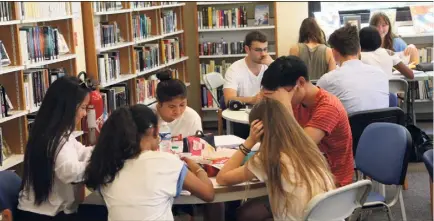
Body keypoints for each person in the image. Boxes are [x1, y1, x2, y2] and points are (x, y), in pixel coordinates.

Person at [84, 104, 214, 221]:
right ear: (153, 130)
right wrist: (197, 168)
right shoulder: (165, 162)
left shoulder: (106, 164)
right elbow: (208, 194)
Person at [216, 98, 335, 221]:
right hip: (326, 215)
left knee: (243, 213)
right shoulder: (308, 148)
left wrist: (249, 141)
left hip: (302, 217)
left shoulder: (270, 158)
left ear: (259, 129)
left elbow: (222, 178)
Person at [16, 76, 106, 221]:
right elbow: (69, 172)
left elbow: (82, 152)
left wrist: (106, 150)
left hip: (52, 211)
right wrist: (101, 162)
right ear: (67, 107)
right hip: (43, 215)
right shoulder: (53, 138)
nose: (84, 114)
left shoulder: (58, 133)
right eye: (83, 108)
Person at [261, 56, 354, 187]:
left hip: (330, 183)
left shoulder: (328, 107)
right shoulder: (298, 100)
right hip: (304, 173)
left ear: (300, 82)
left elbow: (299, 148)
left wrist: (286, 107)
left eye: (283, 94)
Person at [317, 24, 390, 114]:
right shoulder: (381, 75)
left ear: (334, 53)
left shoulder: (327, 80)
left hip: (351, 127)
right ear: (359, 49)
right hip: (383, 127)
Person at [223, 30, 274, 106]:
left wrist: (273, 66)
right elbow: (228, 99)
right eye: (258, 50)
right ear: (247, 49)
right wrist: (252, 100)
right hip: (241, 113)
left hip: (266, 112)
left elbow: (288, 88)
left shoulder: (271, 65)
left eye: (265, 49)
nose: (263, 54)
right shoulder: (234, 69)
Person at [150, 70, 202, 138]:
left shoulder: (192, 118)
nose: (178, 111)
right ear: (159, 103)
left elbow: (198, 145)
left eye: (182, 105)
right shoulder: (147, 116)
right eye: (171, 106)